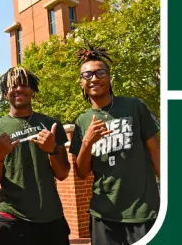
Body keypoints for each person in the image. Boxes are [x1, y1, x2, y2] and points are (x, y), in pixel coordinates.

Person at [68, 46, 161, 245]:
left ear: (109, 78)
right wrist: (87, 142)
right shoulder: (82, 121)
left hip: (143, 210)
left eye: (100, 72)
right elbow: (82, 172)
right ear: (82, 82)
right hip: (104, 215)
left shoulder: (134, 106)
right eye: (88, 74)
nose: (94, 78)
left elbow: (156, 153)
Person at [0, 67, 72, 245]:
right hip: (13, 220)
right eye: (12, 86)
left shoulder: (51, 124)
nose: (18, 89)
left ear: (33, 90)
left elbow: (62, 174)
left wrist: (52, 150)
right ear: (5, 92)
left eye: (24, 85)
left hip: (51, 219)